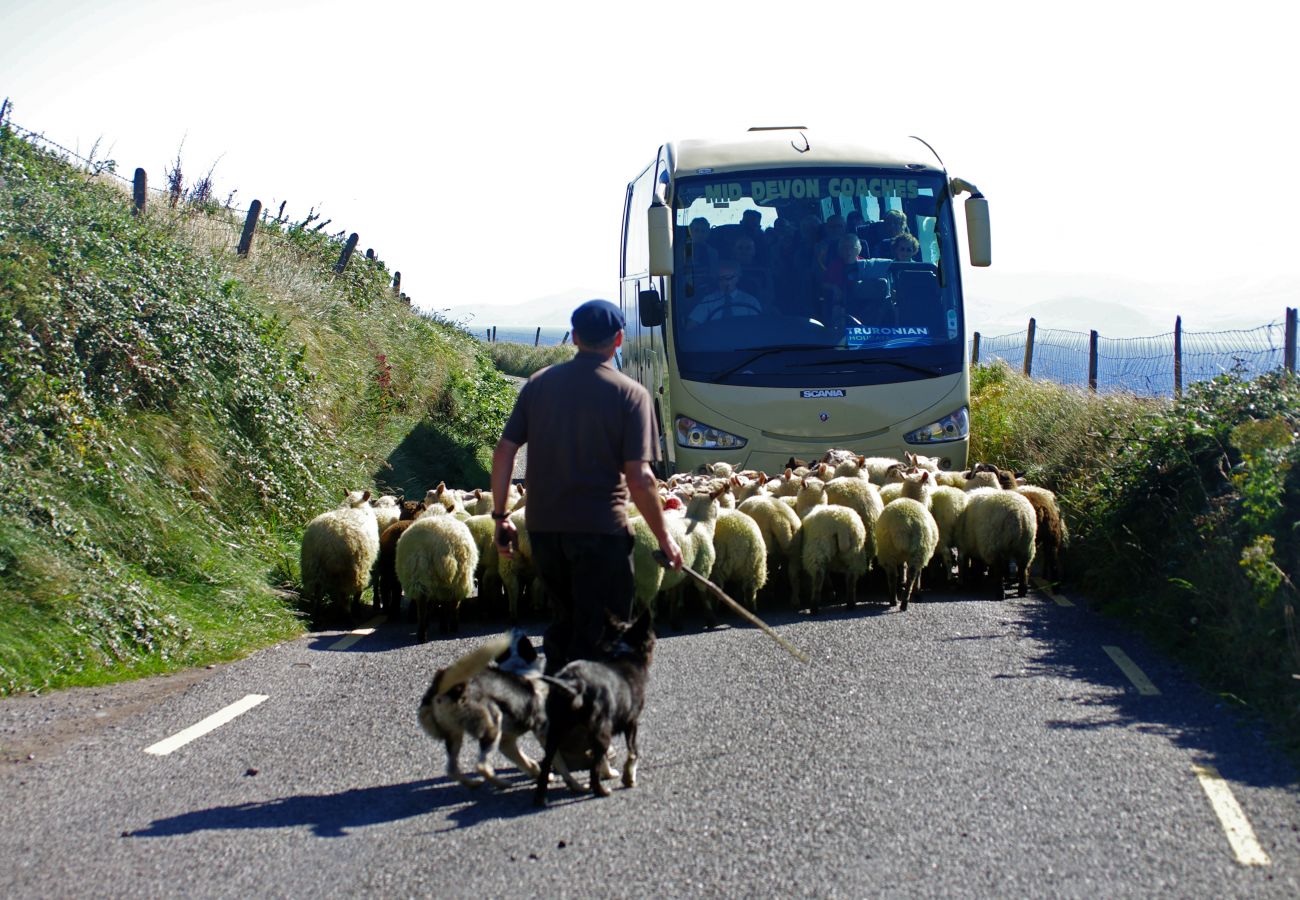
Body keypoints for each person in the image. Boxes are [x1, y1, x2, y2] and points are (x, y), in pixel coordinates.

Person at [490, 300, 683, 675]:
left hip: (545, 530)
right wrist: (665, 538)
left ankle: (561, 706)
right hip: (601, 533)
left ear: (575, 337)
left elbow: (504, 452)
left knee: (565, 622)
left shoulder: (538, 384)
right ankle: (591, 718)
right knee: (605, 635)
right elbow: (640, 479)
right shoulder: (630, 394)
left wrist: (500, 517)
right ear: (619, 340)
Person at [686, 260, 764, 327]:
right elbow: (691, 326)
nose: (725, 282)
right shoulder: (708, 301)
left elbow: (758, 327)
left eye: (729, 278)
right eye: (721, 278)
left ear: (738, 278)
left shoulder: (750, 301)